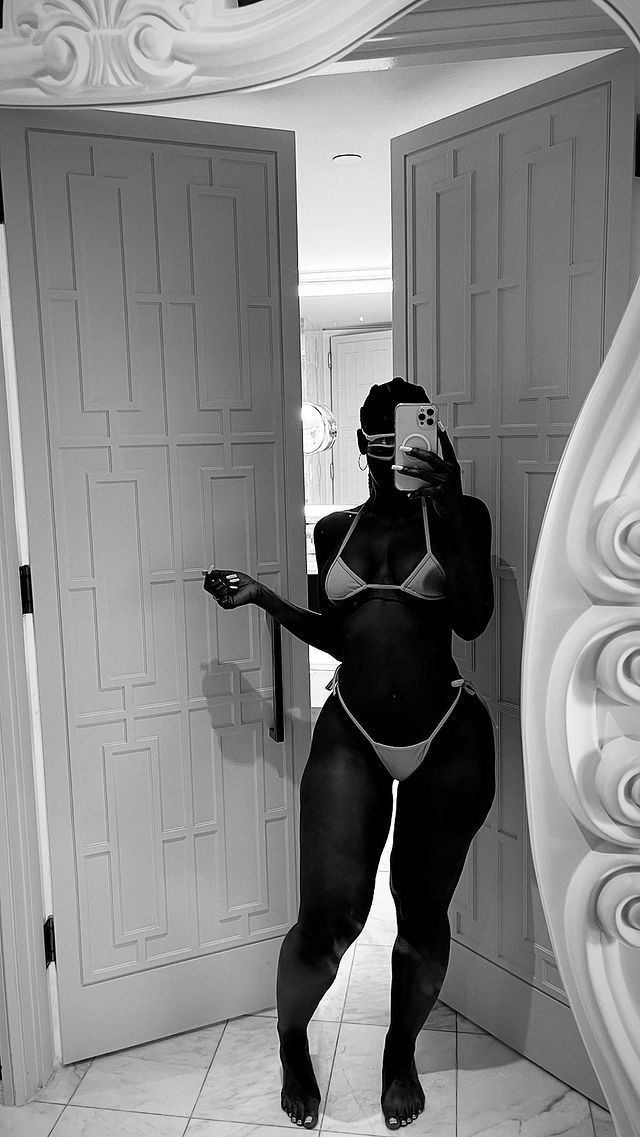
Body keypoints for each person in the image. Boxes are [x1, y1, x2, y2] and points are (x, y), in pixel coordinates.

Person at [203, 377, 495, 1131]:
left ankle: (400, 1052)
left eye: (410, 438)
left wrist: (448, 513)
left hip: (447, 734)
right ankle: (291, 1042)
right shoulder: (335, 530)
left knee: (422, 913)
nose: (396, 455)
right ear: (364, 445)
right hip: (353, 733)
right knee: (328, 918)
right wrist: (267, 599)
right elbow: (342, 635)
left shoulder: (462, 516)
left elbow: (474, 618)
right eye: (384, 441)